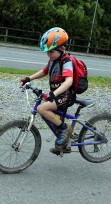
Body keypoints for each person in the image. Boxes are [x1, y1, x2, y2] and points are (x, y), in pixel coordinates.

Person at [20, 27, 76, 155]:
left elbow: (69, 81)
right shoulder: (53, 60)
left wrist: (52, 94)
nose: (48, 55)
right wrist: (29, 78)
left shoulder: (66, 61)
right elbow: (45, 71)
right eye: (47, 52)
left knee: (41, 109)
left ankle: (65, 129)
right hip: (58, 95)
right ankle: (64, 144)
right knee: (48, 110)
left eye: (50, 52)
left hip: (66, 95)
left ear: (61, 49)